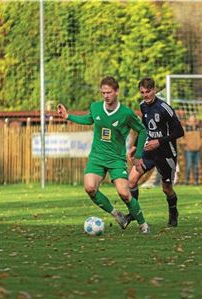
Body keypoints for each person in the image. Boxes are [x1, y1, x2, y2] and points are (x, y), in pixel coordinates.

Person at [56, 76, 150, 234]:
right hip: (97, 157)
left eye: (109, 92)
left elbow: (142, 130)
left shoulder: (126, 113)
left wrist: (139, 154)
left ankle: (143, 224)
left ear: (117, 92)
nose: (106, 96)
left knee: (124, 193)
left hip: (116, 159)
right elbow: (89, 119)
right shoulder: (95, 107)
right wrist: (68, 116)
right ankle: (116, 214)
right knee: (90, 188)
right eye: (103, 93)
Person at [127, 77, 184, 228]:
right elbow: (144, 129)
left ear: (154, 90)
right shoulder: (143, 106)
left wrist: (159, 141)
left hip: (166, 153)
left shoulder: (164, 108)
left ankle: (173, 212)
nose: (145, 95)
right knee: (131, 181)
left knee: (167, 188)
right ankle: (134, 213)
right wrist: (134, 145)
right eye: (142, 92)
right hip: (148, 152)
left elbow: (179, 131)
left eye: (148, 92)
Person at [183, 113, 202, 185]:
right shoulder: (185, 128)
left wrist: (200, 144)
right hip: (188, 150)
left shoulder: (198, 127)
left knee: (196, 166)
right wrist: (185, 144)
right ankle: (187, 181)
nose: (192, 120)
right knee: (188, 166)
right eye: (191, 119)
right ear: (188, 119)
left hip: (197, 150)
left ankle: (196, 182)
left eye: (194, 119)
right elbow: (180, 138)